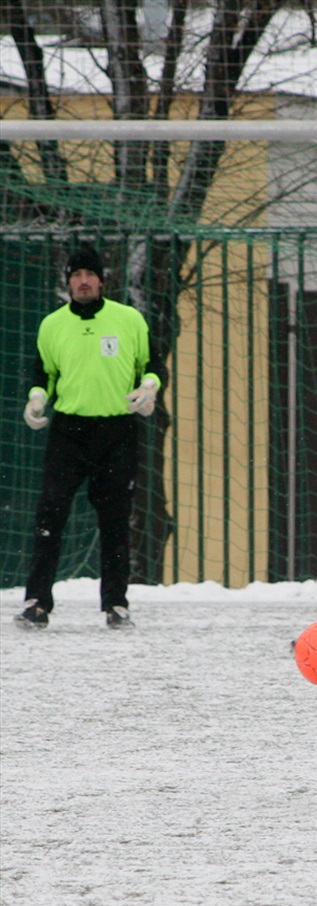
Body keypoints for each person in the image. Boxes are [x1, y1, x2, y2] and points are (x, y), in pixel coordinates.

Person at [15, 244, 164, 631]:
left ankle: (116, 604)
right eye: (76, 275)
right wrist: (36, 398)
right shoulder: (52, 324)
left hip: (117, 431)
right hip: (69, 430)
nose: (82, 281)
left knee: (115, 519)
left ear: (101, 281)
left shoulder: (128, 319)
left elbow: (151, 364)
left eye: (89, 275)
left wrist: (149, 388)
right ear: (68, 283)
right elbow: (42, 372)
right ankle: (36, 601)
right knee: (50, 514)